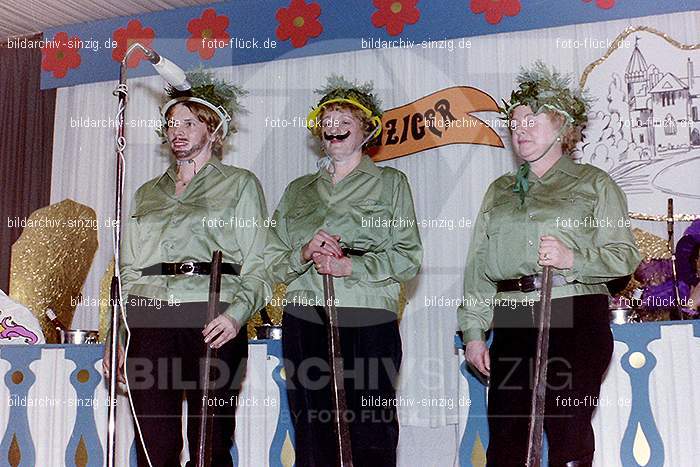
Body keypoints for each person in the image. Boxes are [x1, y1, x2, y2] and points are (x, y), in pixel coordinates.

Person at [457, 62, 641, 467]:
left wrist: (572, 259)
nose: (518, 129)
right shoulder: (500, 190)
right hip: (513, 315)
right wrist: (473, 332)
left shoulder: (594, 183)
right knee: (507, 437)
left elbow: (624, 256)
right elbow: (479, 266)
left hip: (575, 313)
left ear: (562, 126)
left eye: (531, 119)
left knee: (567, 429)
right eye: (513, 121)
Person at [102, 69, 271, 467]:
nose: (177, 131)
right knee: (153, 447)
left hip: (211, 317)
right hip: (150, 318)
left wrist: (236, 316)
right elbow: (128, 268)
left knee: (207, 446)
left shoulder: (241, 185)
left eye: (189, 123)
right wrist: (119, 333)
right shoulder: (147, 192)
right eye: (171, 123)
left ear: (212, 130)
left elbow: (260, 261)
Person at [265, 75, 423, 466]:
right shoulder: (297, 190)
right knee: (311, 422)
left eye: (343, 119)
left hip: (368, 314)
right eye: (327, 120)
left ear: (366, 129)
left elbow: (408, 257)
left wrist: (349, 265)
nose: (333, 128)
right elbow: (269, 259)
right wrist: (303, 253)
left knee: (371, 423)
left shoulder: (391, 184)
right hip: (305, 315)